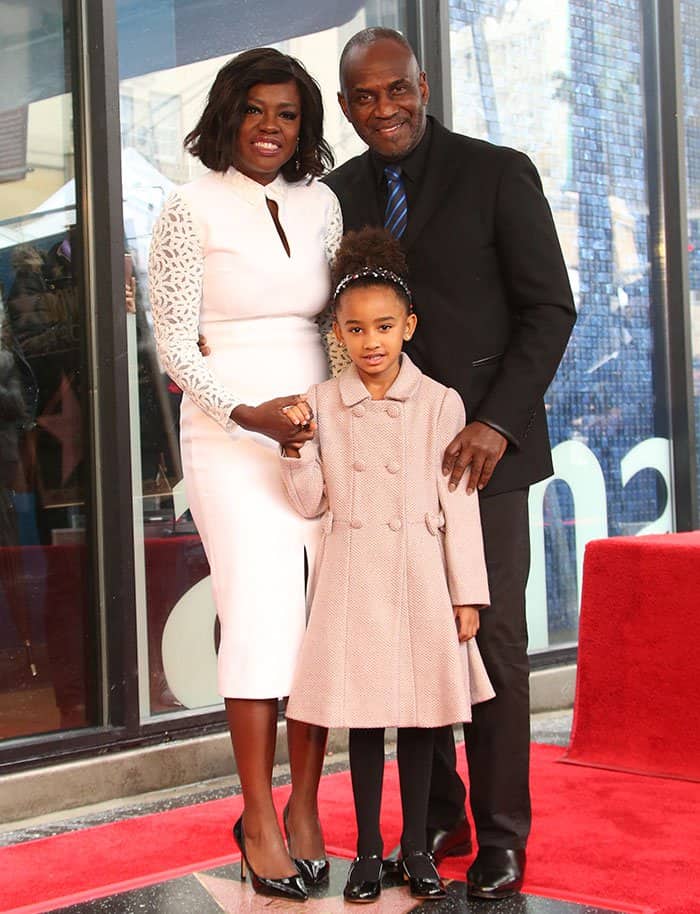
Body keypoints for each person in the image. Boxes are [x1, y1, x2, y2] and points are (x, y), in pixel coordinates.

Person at [322, 28, 576, 899]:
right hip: (380, 467)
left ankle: (503, 836)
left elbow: (549, 309)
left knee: (491, 641)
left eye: (396, 90)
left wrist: (497, 423)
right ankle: (445, 813)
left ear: (422, 87)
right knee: (412, 641)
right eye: (363, 96)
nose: (382, 108)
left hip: (482, 460)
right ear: (346, 104)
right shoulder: (337, 195)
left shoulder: (497, 171)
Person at [148, 47, 342, 903]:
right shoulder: (186, 209)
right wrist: (249, 413)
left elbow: (339, 325)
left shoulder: (323, 203)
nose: (271, 128)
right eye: (256, 111)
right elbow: (173, 343)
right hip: (232, 436)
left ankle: (306, 806)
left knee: (323, 621)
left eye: (287, 114)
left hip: (319, 429)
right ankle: (257, 815)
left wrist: (343, 418)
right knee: (260, 615)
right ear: (227, 114)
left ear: (304, 125)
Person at [280, 227, 495, 904]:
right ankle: (369, 853)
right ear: (337, 335)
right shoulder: (322, 404)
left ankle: (415, 850)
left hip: (422, 577)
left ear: (409, 326)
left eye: (383, 327)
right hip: (353, 577)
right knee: (366, 722)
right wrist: (296, 449)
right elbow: (311, 501)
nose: (370, 342)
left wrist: (469, 596)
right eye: (355, 330)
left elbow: (459, 506)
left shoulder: (439, 404)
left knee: (427, 723)